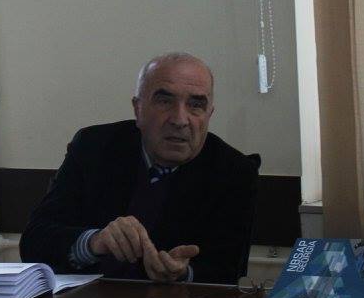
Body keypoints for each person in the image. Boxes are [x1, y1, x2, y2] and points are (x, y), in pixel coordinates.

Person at [19, 52, 260, 283]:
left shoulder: (234, 171)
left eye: (196, 105)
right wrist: (94, 242)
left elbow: (229, 271)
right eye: (165, 101)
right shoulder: (93, 148)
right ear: (138, 109)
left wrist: (184, 274)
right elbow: (34, 242)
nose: (179, 120)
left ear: (209, 114)